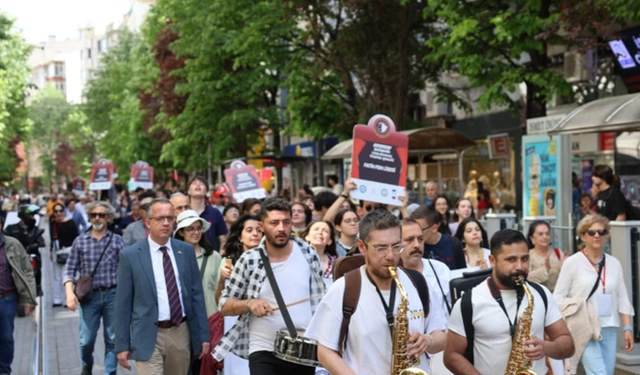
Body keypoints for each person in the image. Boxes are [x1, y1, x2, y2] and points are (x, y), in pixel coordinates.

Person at [305, 209, 448, 374]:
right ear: (362, 247)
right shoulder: (343, 289)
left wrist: (428, 341)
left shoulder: (417, 282)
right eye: (381, 248)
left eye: (396, 246)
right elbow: (324, 352)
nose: (390, 256)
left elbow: (441, 336)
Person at [212, 197, 324, 375]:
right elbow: (224, 305)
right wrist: (249, 303)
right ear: (262, 227)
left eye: (286, 222)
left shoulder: (307, 252)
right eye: (274, 223)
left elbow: (321, 299)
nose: (281, 228)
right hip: (263, 348)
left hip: (303, 348)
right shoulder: (250, 259)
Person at [445, 230, 575, 375]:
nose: (520, 267)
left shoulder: (541, 294)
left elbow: (568, 345)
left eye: (525, 259)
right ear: (492, 261)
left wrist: (545, 348)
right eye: (511, 259)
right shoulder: (470, 301)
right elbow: (451, 356)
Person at [115, 198, 210, 374]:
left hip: (180, 332)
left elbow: (197, 296)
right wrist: (122, 344)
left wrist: (204, 336)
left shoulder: (185, 251)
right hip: (147, 335)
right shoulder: (130, 256)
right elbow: (122, 304)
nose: (166, 223)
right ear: (147, 222)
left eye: (170, 218)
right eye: (160, 218)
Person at [554, 215, 635, 374]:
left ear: (606, 234)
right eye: (591, 232)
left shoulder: (614, 263)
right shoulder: (572, 262)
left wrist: (627, 328)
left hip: (609, 327)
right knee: (599, 373)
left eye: (601, 231)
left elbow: (622, 298)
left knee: (608, 371)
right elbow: (558, 297)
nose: (597, 235)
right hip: (584, 326)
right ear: (583, 235)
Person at [63, 201, 125, 375]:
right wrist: (69, 294)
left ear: (108, 218)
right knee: (86, 341)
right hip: (89, 298)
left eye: (102, 215)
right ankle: (87, 366)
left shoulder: (118, 241)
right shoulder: (80, 241)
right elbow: (69, 270)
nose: (97, 218)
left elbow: (127, 271)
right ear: (89, 217)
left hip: (113, 294)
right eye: (94, 215)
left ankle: (110, 372)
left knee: (112, 339)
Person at [174, 209, 222, 375]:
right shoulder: (172, 256)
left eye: (198, 228)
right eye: (190, 229)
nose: (195, 232)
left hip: (208, 319)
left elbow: (218, 289)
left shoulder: (214, 256)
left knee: (205, 367)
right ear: (180, 232)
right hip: (181, 320)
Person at [215, 214, 262, 375]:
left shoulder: (271, 261)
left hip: (260, 325)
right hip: (234, 324)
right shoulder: (228, 263)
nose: (255, 234)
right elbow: (219, 304)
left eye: (259, 230)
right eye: (249, 230)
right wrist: (222, 279)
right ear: (240, 237)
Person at [0, 226, 37, 375]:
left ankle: (4, 371)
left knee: (6, 337)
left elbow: (27, 271)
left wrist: (29, 299)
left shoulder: (12, 244)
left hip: (6, 298)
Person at [399, 218, 451, 316]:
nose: (417, 245)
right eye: (409, 240)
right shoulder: (391, 276)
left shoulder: (440, 269)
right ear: (397, 243)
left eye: (420, 239)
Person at [51, 202, 79, 307]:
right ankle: (57, 299)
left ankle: (69, 299)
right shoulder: (53, 223)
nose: (58, 213)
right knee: (57, 277)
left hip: (68, 251)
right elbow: (52, 238)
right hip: (56, 251)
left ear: (64, 211)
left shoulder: (70, 223)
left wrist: (76, 253)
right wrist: (51, 251)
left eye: (60, 211)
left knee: (67, 276)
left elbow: (76, 238)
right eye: (56, 211)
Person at [188, 176, 228, 250]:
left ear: (206, 192)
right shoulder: (184, 212)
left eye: (201, 184)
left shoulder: (215, 213)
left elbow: (223, 240)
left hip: (210, 257)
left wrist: (219, 257)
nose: (198, 185)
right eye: (194, 183)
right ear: (188, 191)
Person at [527, 220, 565, 292]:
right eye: (540, 234)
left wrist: (567, 266)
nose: (545, 237)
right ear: (532, 238)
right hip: (538, 298)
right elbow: (526, 279)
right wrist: (546, 269)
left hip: (557, 299)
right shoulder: (527, 256)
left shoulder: (558, 253)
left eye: (547, 234)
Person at [301, 220, 338, 289]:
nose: (320, 232)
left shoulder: (336, 263)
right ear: (307, 237)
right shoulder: (298, 258)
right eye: (316, 229)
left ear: (330, 241)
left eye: (325, 231)